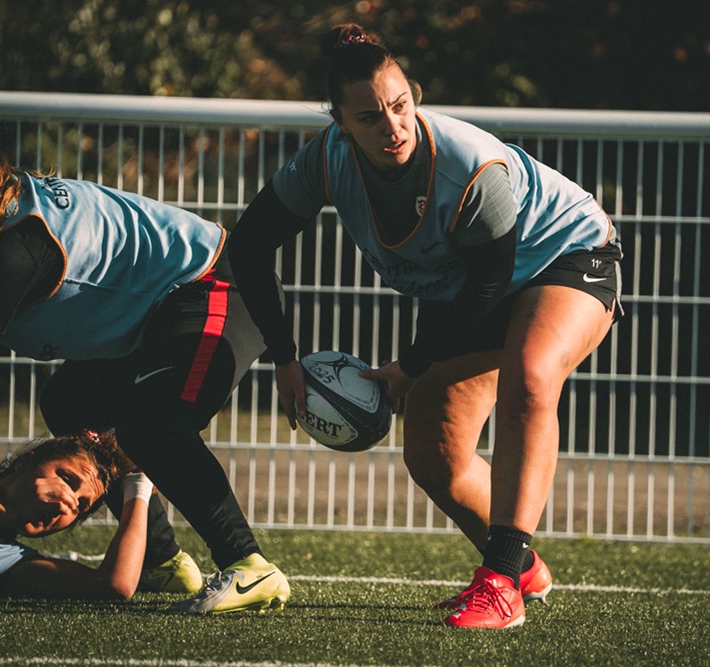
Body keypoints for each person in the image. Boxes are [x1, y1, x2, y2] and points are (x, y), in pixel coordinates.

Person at [229, 24, 622, 629]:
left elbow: (489, 288)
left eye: (400, 105)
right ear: (339, 123)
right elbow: (250, 247)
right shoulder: (325, 162)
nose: (393, 128)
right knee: (433, 454)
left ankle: (499, 581)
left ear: (412, 93)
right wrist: (284, 356)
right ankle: (521, 565)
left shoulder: (467, 166)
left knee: (531, 376)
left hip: (566, 254)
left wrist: (406, 368)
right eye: (368, 118)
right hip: (478, 289)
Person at [0, 115, 290, 614]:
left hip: (218, 282)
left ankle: (249, 563)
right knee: (71, 401)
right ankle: (161, 559)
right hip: (160, 314)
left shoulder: (12, 251)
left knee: (152, 425)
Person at [0, 427, 152, 599]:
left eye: (79, 507)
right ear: (27, 462)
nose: (66, 504)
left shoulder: (6, 563)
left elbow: (114, 585)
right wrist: (8, 513)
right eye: (66, 479)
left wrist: (138, 491)